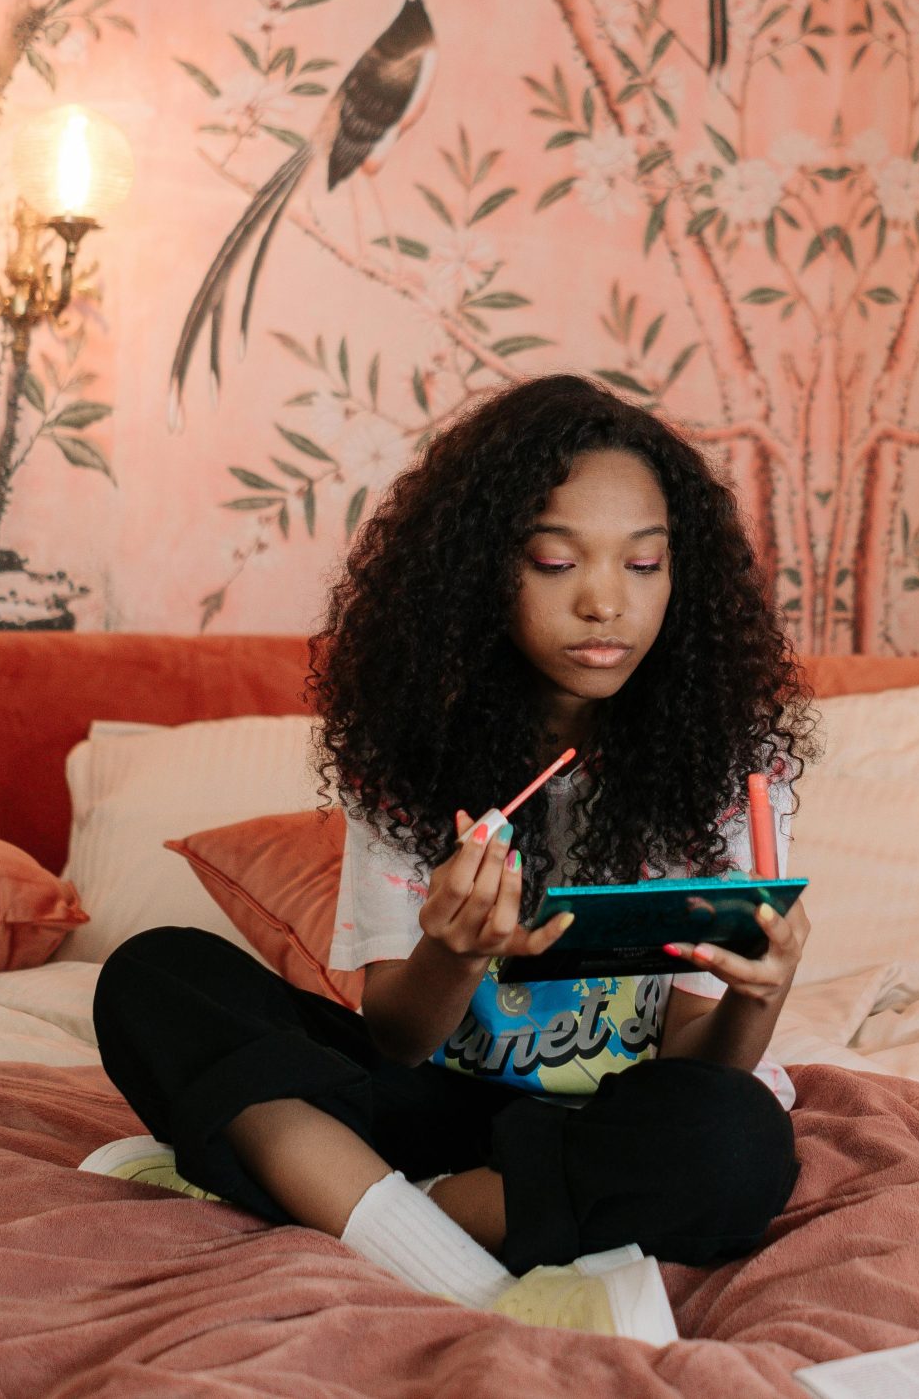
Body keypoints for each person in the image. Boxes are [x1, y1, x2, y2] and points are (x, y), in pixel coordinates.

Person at [93, 374, 813, 1338]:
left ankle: (355, 1200)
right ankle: (460, 1265)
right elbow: (397, 1037)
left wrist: (760, 994)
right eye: (557, 562)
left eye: (644, 564)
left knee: (739, 1142)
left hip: (605, 1120)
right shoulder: (411, 752)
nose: (606, 601)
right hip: (433, 1102)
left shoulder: (723, 771)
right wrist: (455, 950)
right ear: (483, 571)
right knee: (154, 976)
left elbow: (695, 1067)